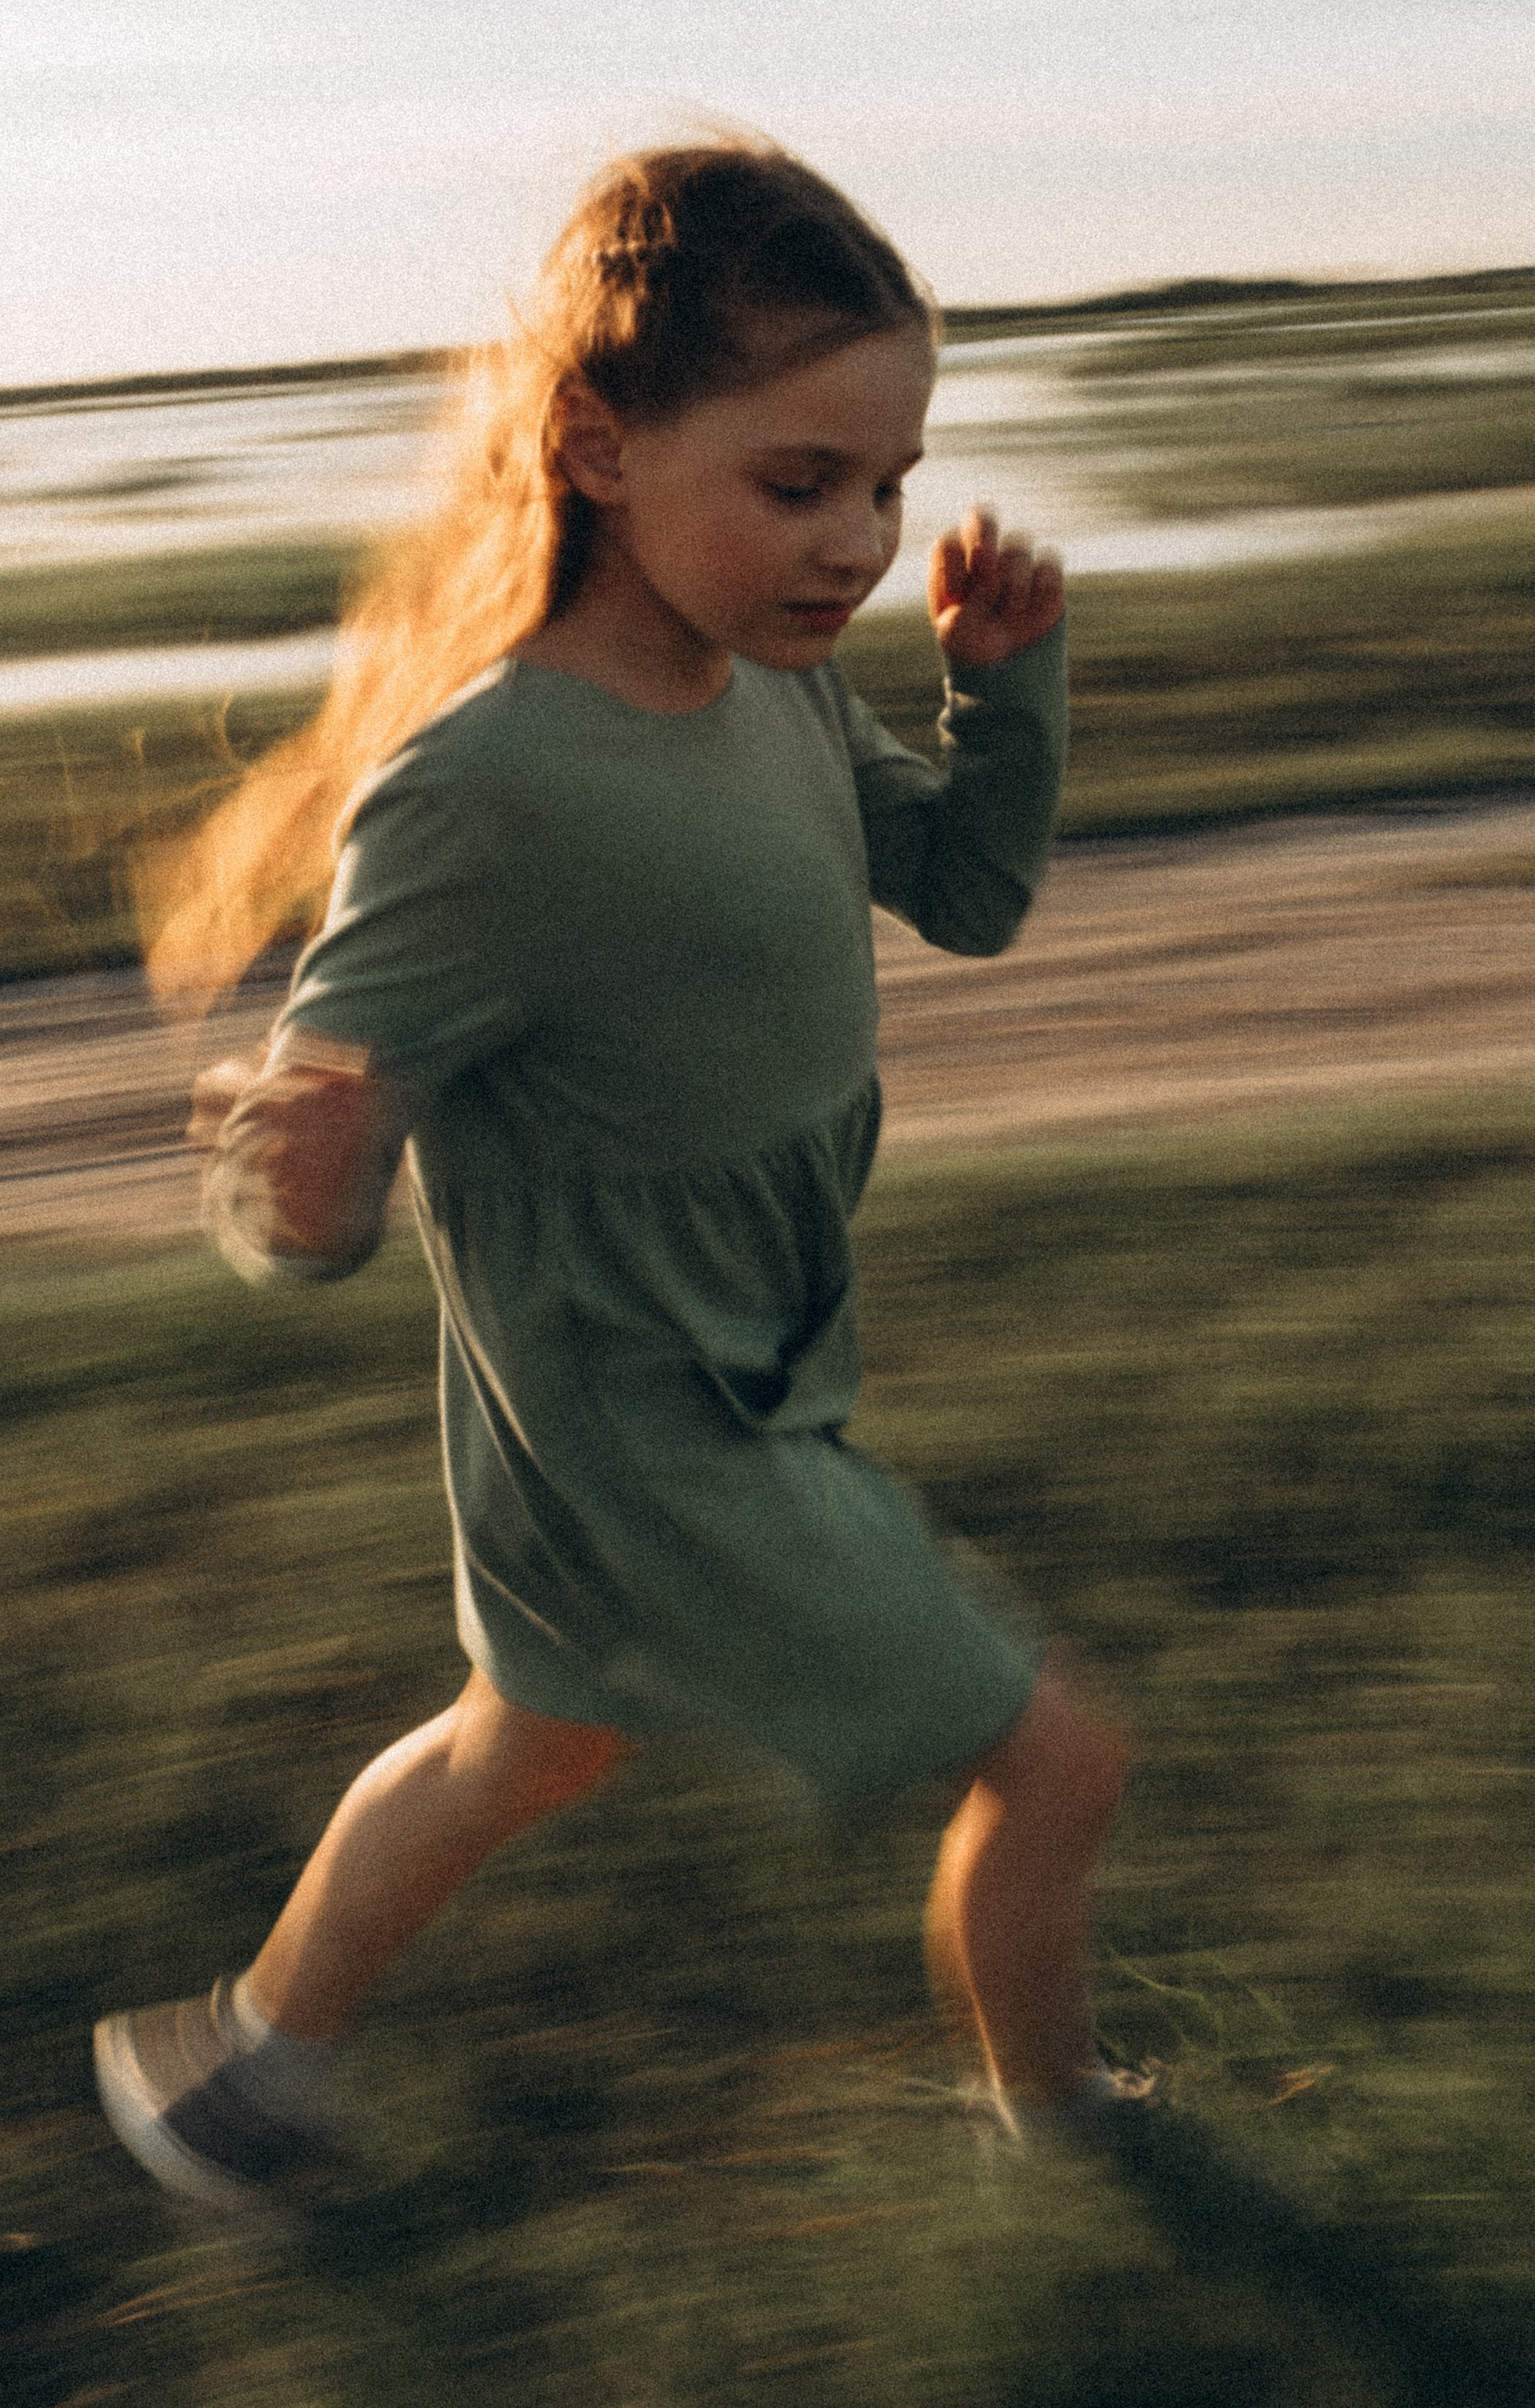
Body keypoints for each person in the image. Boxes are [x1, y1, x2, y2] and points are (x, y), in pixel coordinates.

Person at [94, 135, 1135, 2218]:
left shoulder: (780, 694)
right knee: (1057, 1753)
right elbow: (304, 1204)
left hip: (737, 1350)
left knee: (535, 1739)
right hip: (649, 1418)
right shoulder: (483, 787)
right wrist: (302, 1182)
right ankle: (1075, 2146)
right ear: (595, 445)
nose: (855, 543)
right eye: (797, 482)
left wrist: (1001, 690)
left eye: (886, 486)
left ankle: (237, 2080)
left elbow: (969, 895)